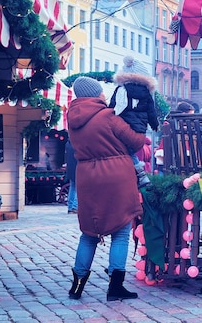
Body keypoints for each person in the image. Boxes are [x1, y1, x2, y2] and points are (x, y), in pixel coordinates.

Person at [67, 76, 145, 301]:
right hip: (116, 175)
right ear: (96, 94)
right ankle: (115, 287)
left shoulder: (72, 118)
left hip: (87, 177)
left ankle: (77, 285)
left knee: (89, 232)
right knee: (120, 232)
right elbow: (137, 141)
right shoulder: (108, 116)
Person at [109, 55, 159, 187]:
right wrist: (154, 125)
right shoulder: (146, 93)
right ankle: (135, 175)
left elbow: (112, 107)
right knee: (128, 149)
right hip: (140, 129)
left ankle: (139, 174)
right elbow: (151, 111)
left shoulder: (121, 89)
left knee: (123, 149)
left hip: (123, 126)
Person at [65, 139, 78, 214]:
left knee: (72, 188)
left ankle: (70, 207)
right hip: (77, 168)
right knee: (78, 189)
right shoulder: (77, 144)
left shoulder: (68, 144)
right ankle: (75, 207)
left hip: (70, 168)